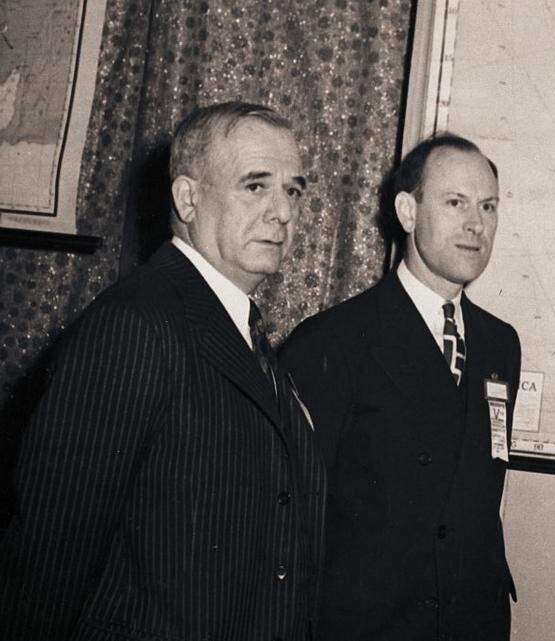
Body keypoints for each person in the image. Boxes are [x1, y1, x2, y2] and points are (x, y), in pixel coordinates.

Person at [0, 101, 325, 641]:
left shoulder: (246, 331)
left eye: (293, 190)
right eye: (255, 186)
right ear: (188, 198)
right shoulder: (136, 325)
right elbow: (45, 562)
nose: (283, 212)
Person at [279, 133, 521, 641]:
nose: (476, 225)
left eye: (488, 207)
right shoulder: (331, 342)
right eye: (455, 203)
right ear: (407, 212)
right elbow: (292, 521)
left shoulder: (501, 346)